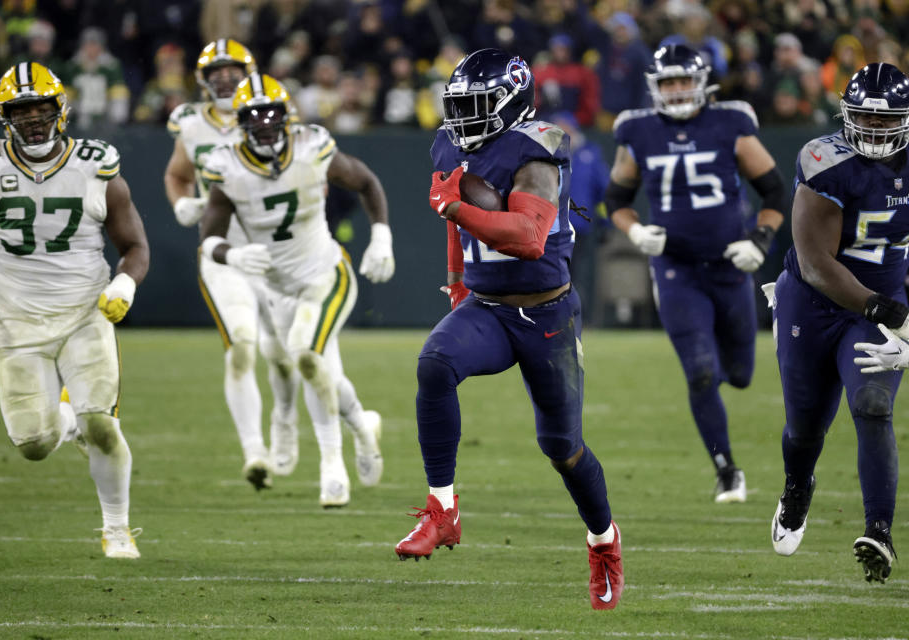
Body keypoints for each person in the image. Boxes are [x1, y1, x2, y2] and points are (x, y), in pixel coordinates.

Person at [393, 48, 624, 611]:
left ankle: (603, 542)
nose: (463, 118)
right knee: (435, 363)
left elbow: (527, 236)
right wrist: (455, 282)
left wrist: (456, 211)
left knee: (562, 447)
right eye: (458, 106)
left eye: (475, 105)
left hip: (546, 315)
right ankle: (442, 509)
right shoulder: (449, 142)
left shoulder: (539, 146)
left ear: (512, 102)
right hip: (489, 308)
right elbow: (454, 209)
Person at [165, 41, 387, 496]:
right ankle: (361, 424)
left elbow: (365, 181)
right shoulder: (226, 165)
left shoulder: (311, 146)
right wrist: (232, 255)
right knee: (313, 367)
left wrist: (382, 236)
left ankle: (332, 468)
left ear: (288, 117)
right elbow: (210, 235)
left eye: (272, 116)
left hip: (325, 275)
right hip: (276, 283)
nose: (265, 128)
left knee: (306, 355)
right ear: (238, 127)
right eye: (253, 119)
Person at [0, 62, 149, 558]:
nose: (33, 119)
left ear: (61, 110)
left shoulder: (96, 167)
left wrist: (124, 281)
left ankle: (117, 528)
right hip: (16, 321)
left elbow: (135, 244)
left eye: (42, 108)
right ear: (5, 118)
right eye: (21, 111)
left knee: (102, 422)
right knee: (34, 444)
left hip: (86, 311)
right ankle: (67, 417)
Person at [606, 44, 786, 503]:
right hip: (676, 270)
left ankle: (715, 394)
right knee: (702, 373)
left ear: (702, 82)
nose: (677, 90)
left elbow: (774, 191)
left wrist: (759, 240)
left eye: (684, 80)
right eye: (668, 82)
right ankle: (726, 469)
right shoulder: (639, 131)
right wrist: (636, 232)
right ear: (655, 87)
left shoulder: (731, 124)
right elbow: (616, 202)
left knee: (742, 374)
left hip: (729, 267)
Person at [767, 62, 909, 583]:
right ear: (846, 116)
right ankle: (798, 486)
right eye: (865, 121)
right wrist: (884, 310)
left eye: (886, 121)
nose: (874, 131)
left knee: (873, 406)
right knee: (805, 426)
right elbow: (815, 263)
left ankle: (879, 531)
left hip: (884, 298)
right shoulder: (825, 160)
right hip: (814, 302)